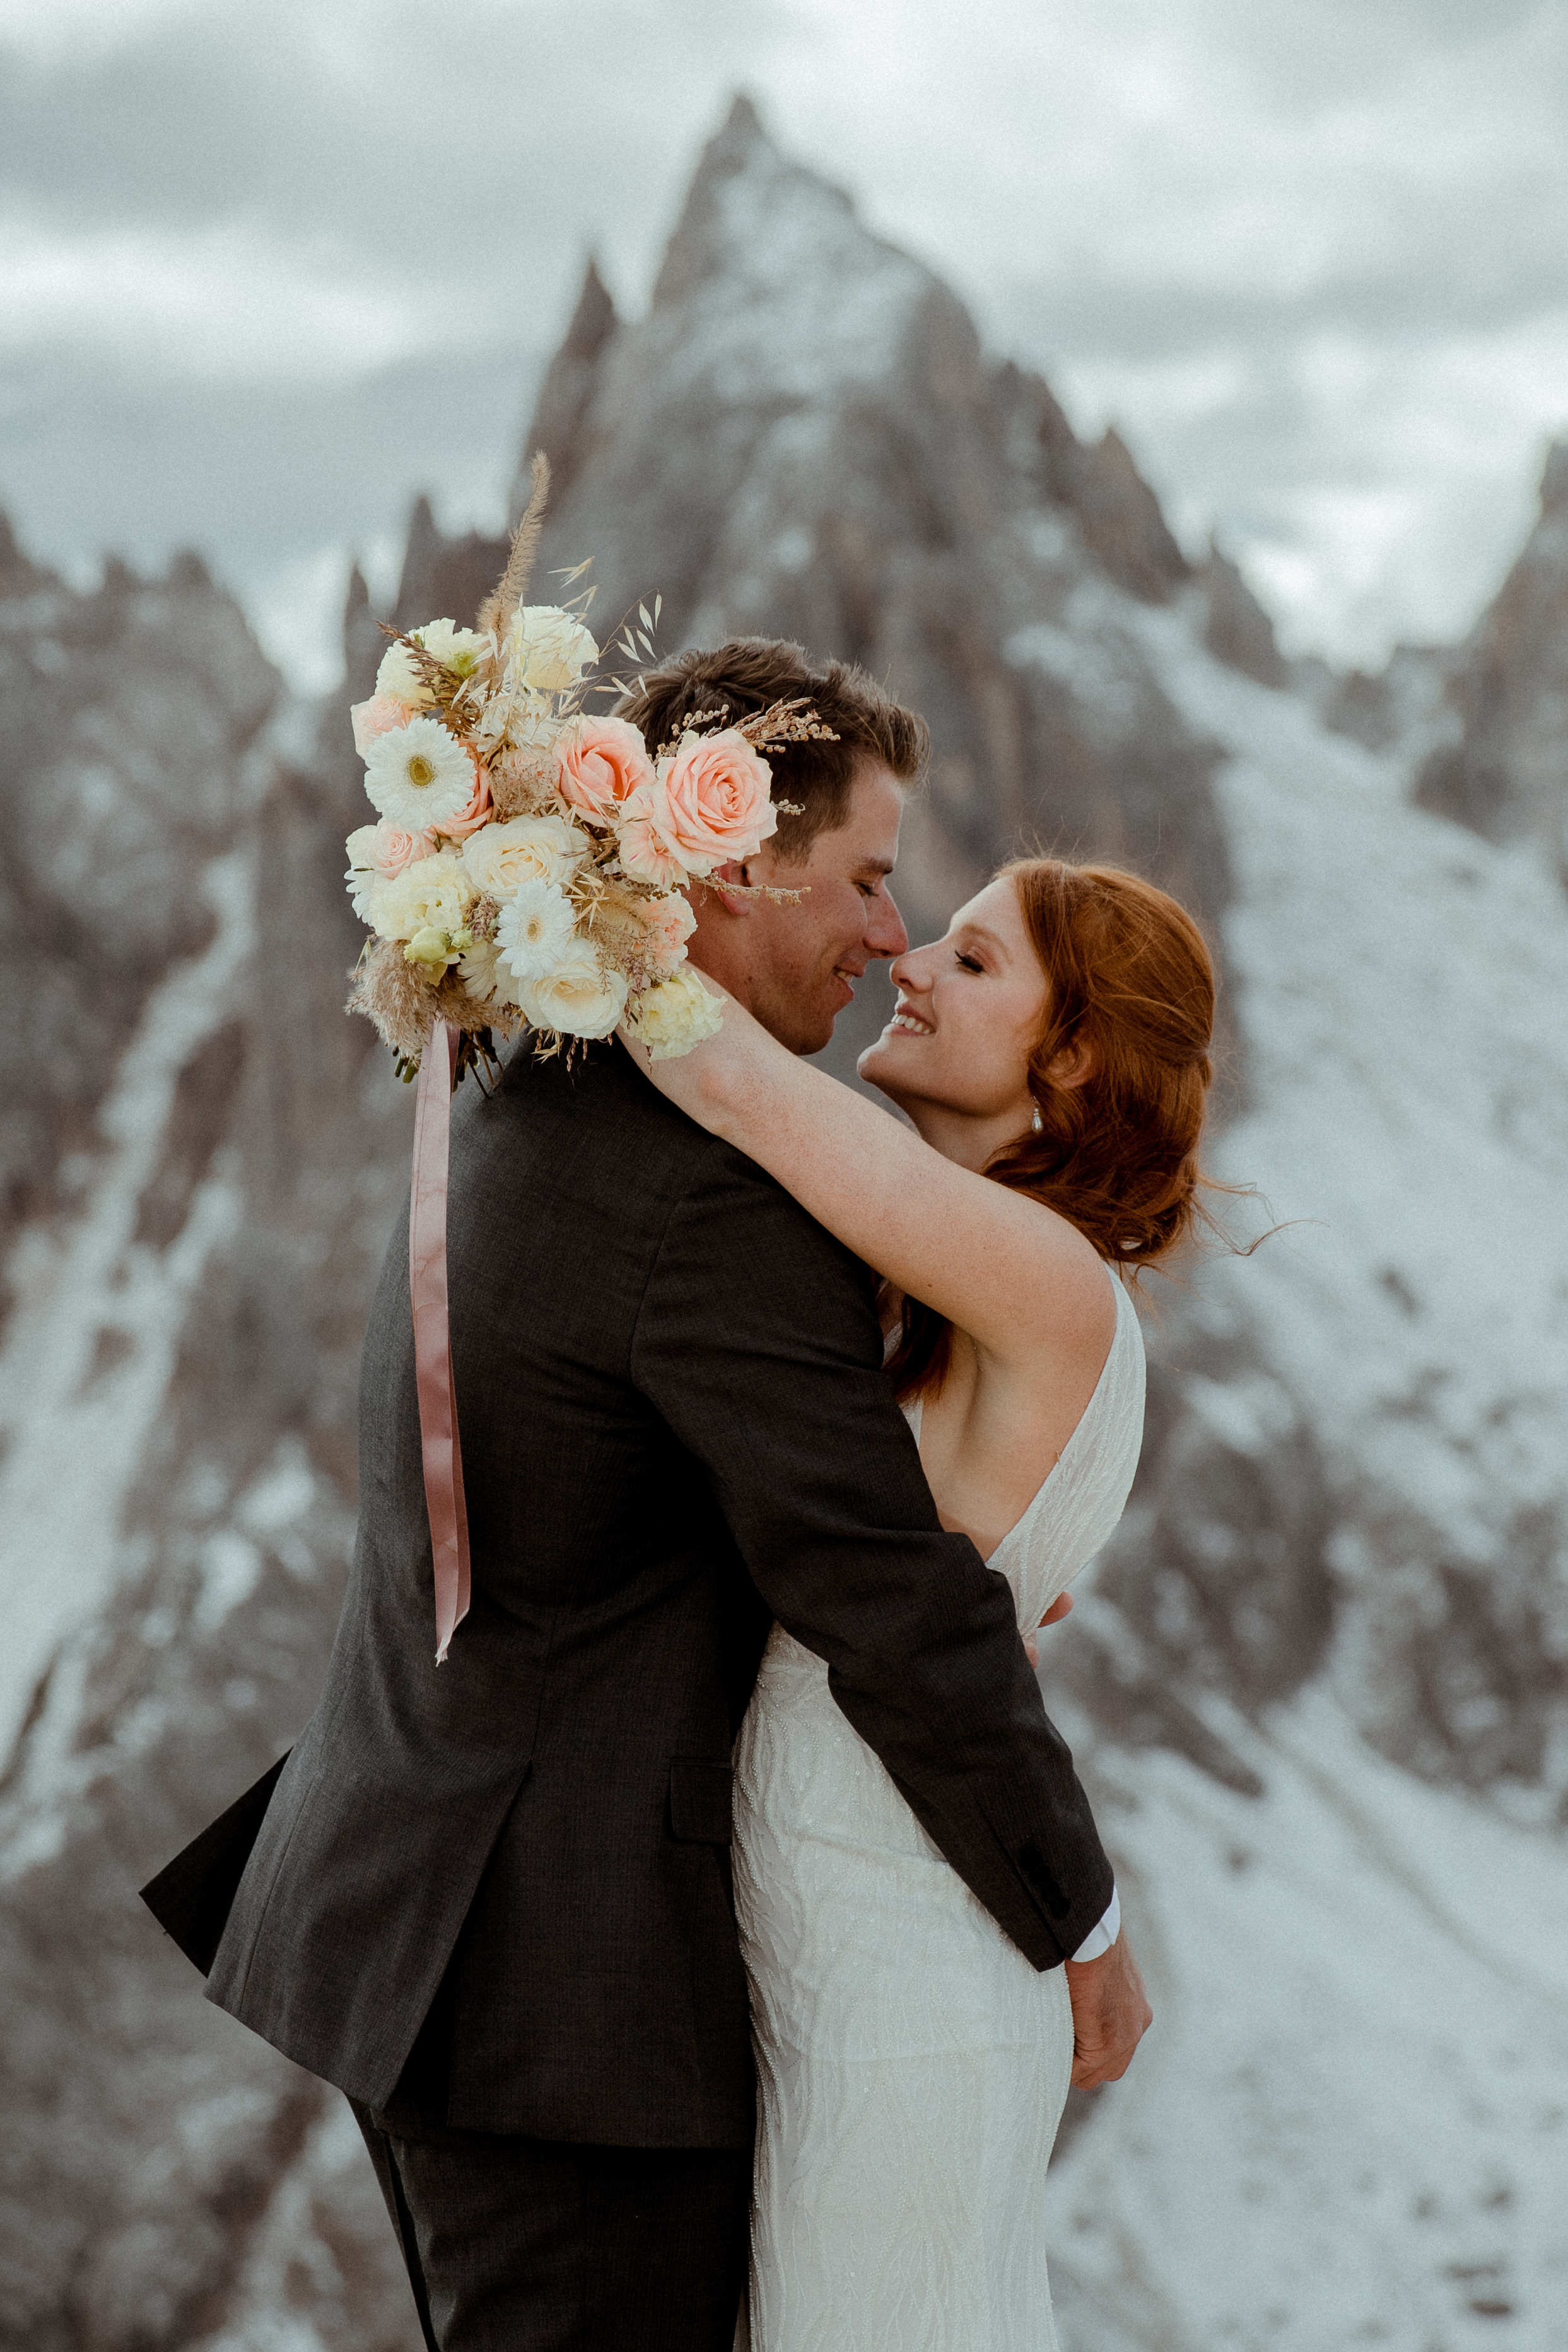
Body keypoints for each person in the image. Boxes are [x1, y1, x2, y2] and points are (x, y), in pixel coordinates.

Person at [141, 637, 1146, 2352]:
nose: (883, 938)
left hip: (424, 1922)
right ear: (738, 862)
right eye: (867, 881)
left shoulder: (525, 1085)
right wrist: (1085, 1920)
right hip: (559, 2001)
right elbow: (889, 1601)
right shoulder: (711, 1210)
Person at [623, 845, 1220, 2349]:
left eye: (969, 959)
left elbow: (747, 1088)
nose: (910, 965)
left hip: (906, 1979)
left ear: (1068, 1054)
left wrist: (560, 872)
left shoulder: (1042, 1273)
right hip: (848, 1932)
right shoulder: (956, 1276)